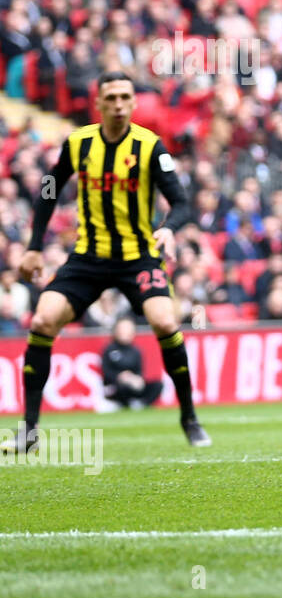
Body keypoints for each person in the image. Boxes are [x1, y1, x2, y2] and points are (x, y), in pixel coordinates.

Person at [3, 73, 210, 454]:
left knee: (166, 321)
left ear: (133, 103)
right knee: (43, 319)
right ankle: (30, 429)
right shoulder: (78, 143)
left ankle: (189, 417)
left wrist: (168, 229)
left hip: (138, 256)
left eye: (124, 97)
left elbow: (181, 202)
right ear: (98, 104)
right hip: (90, 257)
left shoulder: (150, 147)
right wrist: (33, 247)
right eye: (110, 97)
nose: (118, 104)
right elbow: (49, 191)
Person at [100, 316, 163, 410]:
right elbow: (106, 372)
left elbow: (140, 371)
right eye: (122, 329)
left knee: (157, 385)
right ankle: (124, 404)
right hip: (117, 386)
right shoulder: (109, 349)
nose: (125, 332)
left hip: (133, 383)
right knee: (122, 388)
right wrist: (120, 377)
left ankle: (142, 404)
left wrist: (135, 379)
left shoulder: (136, 351)